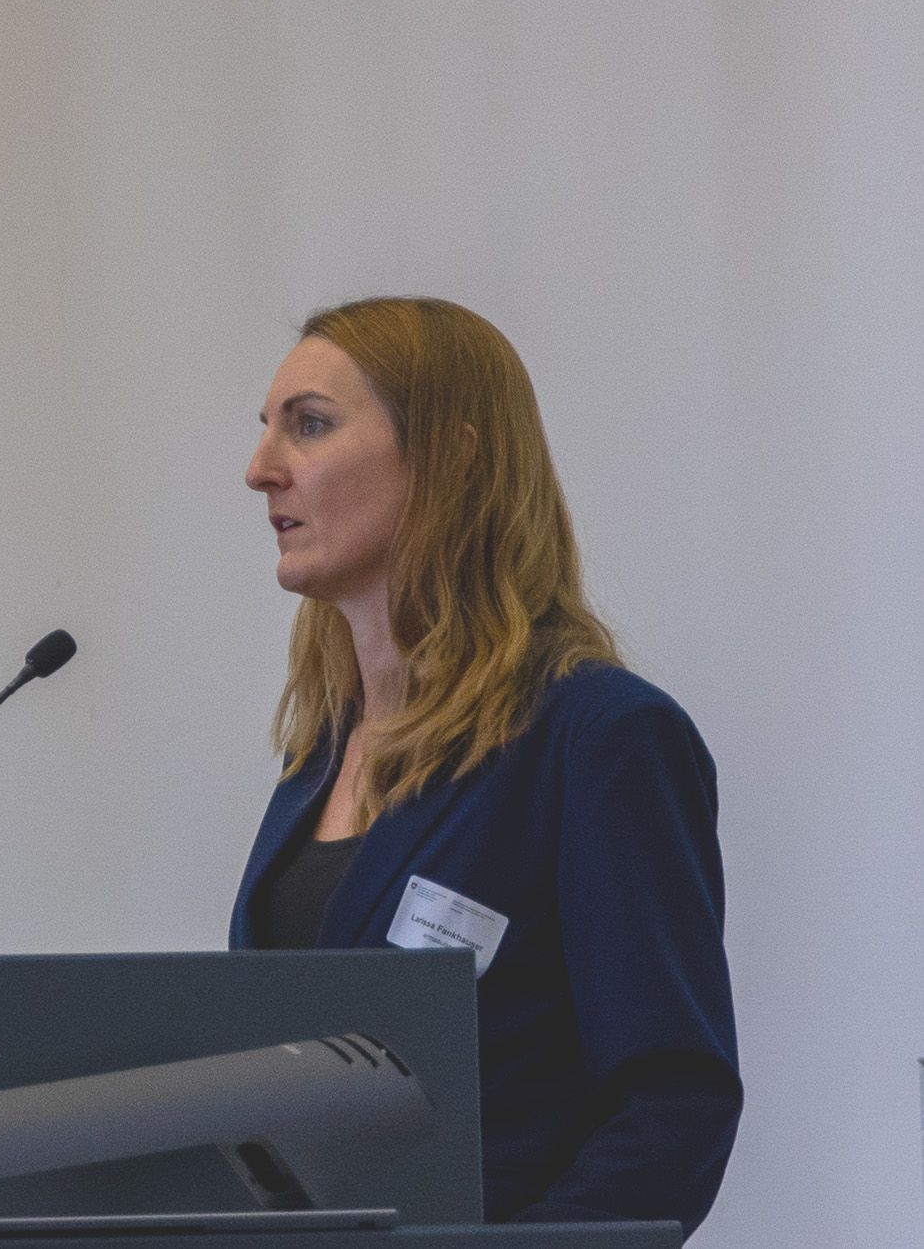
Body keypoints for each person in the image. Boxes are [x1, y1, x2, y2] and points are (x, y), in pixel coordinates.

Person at [228, 297, 741, 1234]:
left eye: (310, 425)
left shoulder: (600, 739)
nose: (261, 469)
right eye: (267, 428)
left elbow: (671, 1114)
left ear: (452, 458)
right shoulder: (319, 757)